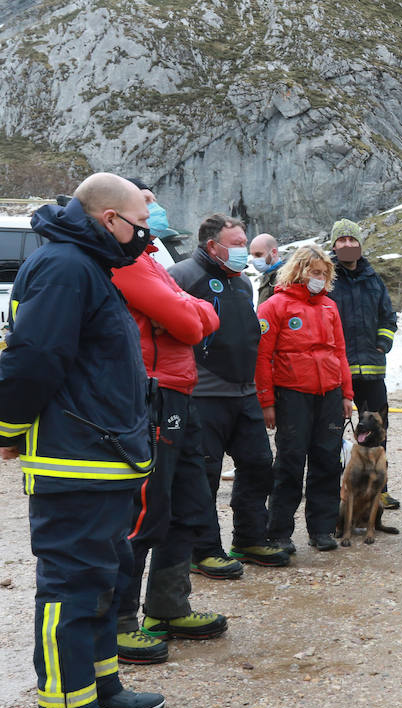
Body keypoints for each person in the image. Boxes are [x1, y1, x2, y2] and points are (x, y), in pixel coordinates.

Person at [0, 173, 162, 708]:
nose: (144, 239)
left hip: (104, 458)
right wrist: (7, 426)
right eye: (139, 227)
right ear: (108, 220)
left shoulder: (88, 267)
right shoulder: (67, 267)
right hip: (76, 462)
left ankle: (98, 689)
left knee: (100, 579)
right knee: (70, 586)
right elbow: (34, 359)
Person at [110, 181, 229, 665]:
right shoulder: (125, 262)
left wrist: (186, 312)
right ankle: (120, 621)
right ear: (118, 214)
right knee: (146, 509)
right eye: (148, 204)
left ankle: (168, 605)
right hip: (154, 393)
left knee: (188, 501)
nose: (155, 212)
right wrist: (185, 313)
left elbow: (197, 314)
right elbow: (186, 321)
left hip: (181, 390)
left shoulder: (152, 260)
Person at [168, 215, 288, 574]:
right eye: (236, 244)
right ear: (212, 246)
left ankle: (249, 538)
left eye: (244, 242)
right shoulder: (182, 276)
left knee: (258, 465)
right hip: (203, 393)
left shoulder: (242, 283)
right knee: (203, 474)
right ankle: (202, 550)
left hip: (243, 392)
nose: (242, 250)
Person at [255, 244, 353, 551]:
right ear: (299, 271)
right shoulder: (275, 306)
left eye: (324, 273)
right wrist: (267, 402)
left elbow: (340, 353)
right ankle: (279, 531)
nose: (319, 278)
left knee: (327, 461)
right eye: (314, 272)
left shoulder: (329, 307)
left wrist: (346, 395)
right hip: (293, 396)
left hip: (329, 395)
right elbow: (261, 357)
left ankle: (321, 529)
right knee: (290, 463)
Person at [329, 218, 400, 509]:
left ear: (360, 244)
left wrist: (382, 344)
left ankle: (378, 490)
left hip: (372, 373)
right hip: (336, 372)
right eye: (341, 240)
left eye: (352, 240)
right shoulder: (326, 277)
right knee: (331, 433)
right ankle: (335, 491)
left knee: (377, 434)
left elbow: (388, 318)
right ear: (333, 245)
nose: (347, 245)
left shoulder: (374, 279)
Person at [249, 233, 283, 301]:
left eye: (258, 255)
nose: (255, 260)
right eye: (253, 256)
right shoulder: (267, 276)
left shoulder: (285, 279)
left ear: (273, 252)